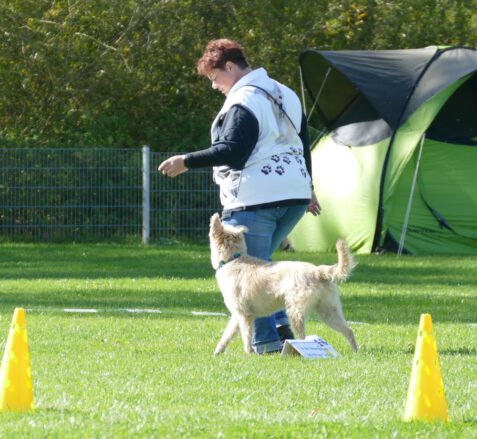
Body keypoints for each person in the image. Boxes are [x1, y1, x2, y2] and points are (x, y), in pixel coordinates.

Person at [159, 39, 321, 354]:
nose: (214, 85)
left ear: (230, 67)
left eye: (215, 77)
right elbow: (303, 144)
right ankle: (284, 333)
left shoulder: (244, 99)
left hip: (256, 198)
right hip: (295, 196)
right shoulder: (285, 93)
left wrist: (187, 161)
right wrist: (308, 186)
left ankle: (266, 346)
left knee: (251, 278)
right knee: (265, 269)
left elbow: (233, 151)